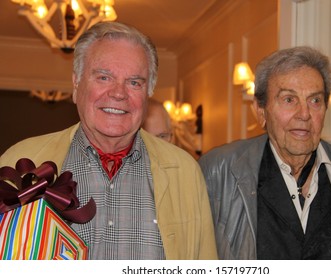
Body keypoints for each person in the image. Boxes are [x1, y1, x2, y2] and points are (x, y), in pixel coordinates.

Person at [0, 22, 217, 260]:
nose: (118, 93)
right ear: (76, 84)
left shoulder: (184, 171)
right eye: (104, 77)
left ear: (149, 92)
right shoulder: (21, 162)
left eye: (134, 82)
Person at [198, 46, 331, 260]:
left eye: (315, 100)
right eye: (289, 99)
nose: (304, 114)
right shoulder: (217, 173)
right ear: (261, 111)